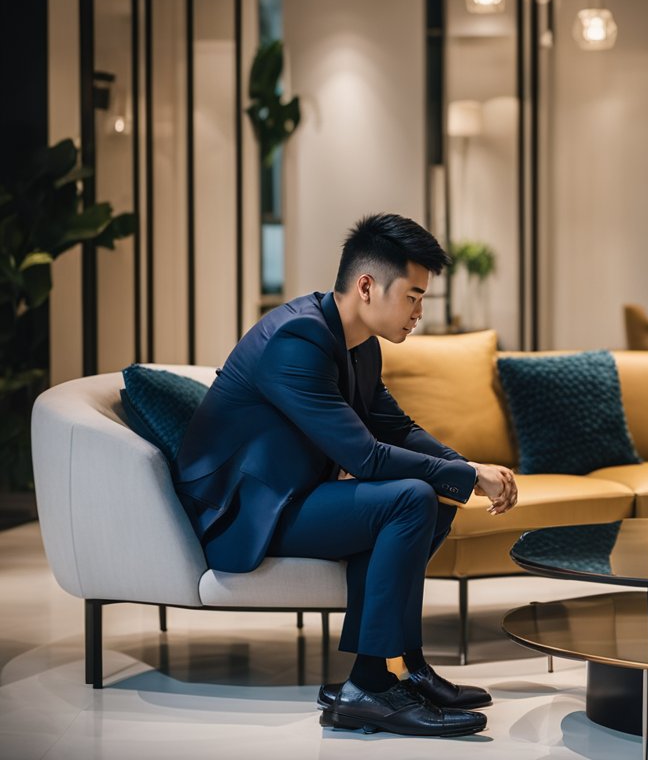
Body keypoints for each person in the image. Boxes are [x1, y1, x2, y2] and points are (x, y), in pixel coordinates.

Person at [175, 213, 518, 738]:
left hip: (295, 496)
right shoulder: (296, 339)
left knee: (425, 493)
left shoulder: (361, 345)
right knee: (409, 498)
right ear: (366, 286)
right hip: (244, 512)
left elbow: (396, 429)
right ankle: (368, 687)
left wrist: (465, 467)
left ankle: (403, 669)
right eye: (413, 296)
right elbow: (366, 457)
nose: (419, 312)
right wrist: (467, 474)